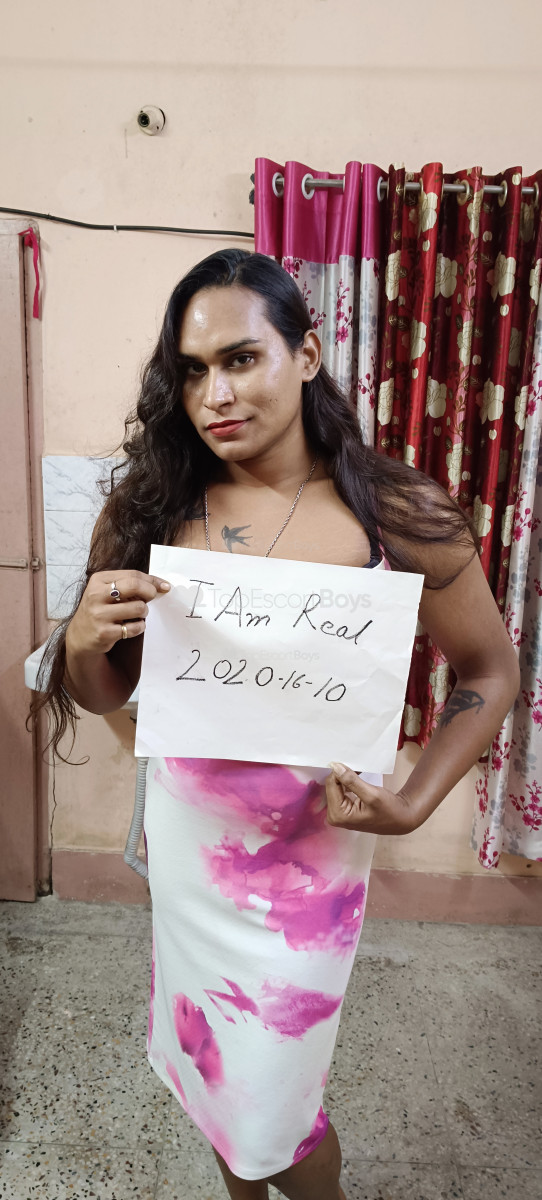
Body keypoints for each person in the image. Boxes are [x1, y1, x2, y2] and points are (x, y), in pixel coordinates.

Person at [33, 249, 519, 1200]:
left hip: (309, 875)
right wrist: (84, 641)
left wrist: (415, 803)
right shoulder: (153, 504)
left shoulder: (392, 511)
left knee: (278, 1114)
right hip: (191, 854)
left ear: (305, 355)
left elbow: (491, 669)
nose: (214, 394)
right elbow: (103, 695)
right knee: (217, 1078)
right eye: (192, 370)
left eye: (241, 359)